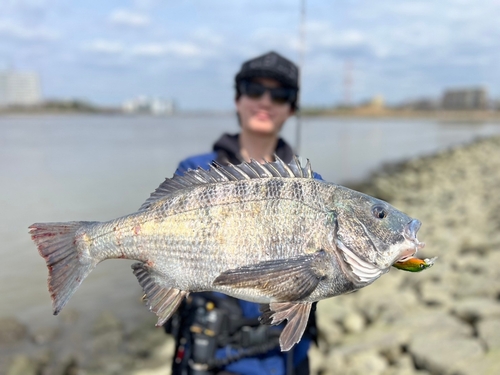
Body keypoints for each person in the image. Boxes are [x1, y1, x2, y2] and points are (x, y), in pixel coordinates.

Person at [165, 51, 320, 375]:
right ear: (238, 99)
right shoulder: (195, 170)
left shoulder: (313, 187)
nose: (265, 101)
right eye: (254, 90)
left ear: (291, 108)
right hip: (214, 357)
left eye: (280, 94)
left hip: (287, 358)